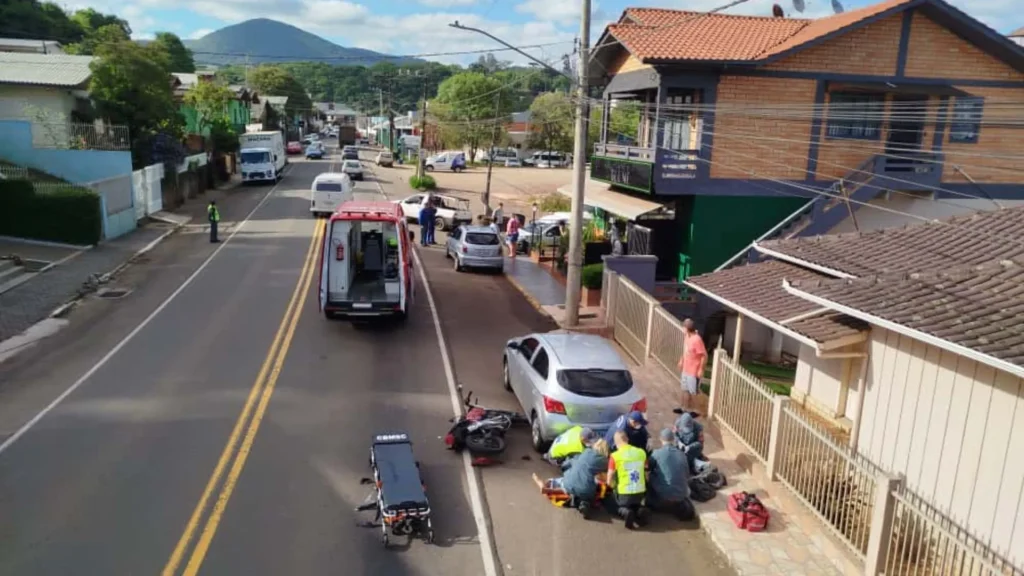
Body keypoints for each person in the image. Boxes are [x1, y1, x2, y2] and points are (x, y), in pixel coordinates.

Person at [532, 439, 610, 518]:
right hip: (586, 490)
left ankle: (548, 487)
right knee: (589, 489)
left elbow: (573, 462)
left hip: (569, 482)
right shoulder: (605, 461)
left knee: (560, 483)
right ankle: (584, 503)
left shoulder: (586, 452)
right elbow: (605, 476)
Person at [647, 428, 695, 521]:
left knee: (650, 475)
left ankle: (652, 501)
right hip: (681, 494)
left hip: (663, 496)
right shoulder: (682, 454)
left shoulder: (656, 453)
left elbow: (649, 467)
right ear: (673, 440)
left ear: (661, 439)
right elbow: (687, 474)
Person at [606, 431, 649, 529]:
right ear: (627, 439)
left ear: (616, 443)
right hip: (640, 492)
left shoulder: (615, 456)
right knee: (634, 503)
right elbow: (646, 470)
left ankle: (624, 512)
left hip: (624, 493)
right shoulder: (641, 452)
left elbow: (610, 476)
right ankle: (639, 509)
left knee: (610, 501)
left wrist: (610, 486)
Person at [676, 319, 707, 414]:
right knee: (685, 389)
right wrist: (681, 360)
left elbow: (703, 355)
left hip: (693, 370)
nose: (683, 329)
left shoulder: (697, 340)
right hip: (686, 368)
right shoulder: (687, 337)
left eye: (684, 327)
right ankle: (684, 408)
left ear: (687, 328)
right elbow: (685, 351)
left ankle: (696, 410)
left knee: (693, 392)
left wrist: (701, 369)